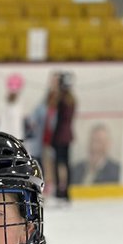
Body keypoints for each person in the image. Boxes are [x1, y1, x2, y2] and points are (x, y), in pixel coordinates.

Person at [48, 72, 76, 203]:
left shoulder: (61, 99)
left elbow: (56, 118)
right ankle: (66, 191)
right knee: (66, 164)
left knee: (59, 163)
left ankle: (60, 191)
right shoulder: (71, 99)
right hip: (67, 135)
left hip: (60, 136)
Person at [69, 122, 121, 186]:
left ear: (108, 144)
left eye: (99, 141)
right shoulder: (75, 169)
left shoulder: (117, 172)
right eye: (92, 140)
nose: (94, 146)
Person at [0, 72, 25, 143]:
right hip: (4, 137)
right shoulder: (3, 103)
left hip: (16, 137)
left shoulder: (19, 103)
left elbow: (18, 125)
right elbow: (1, 122)